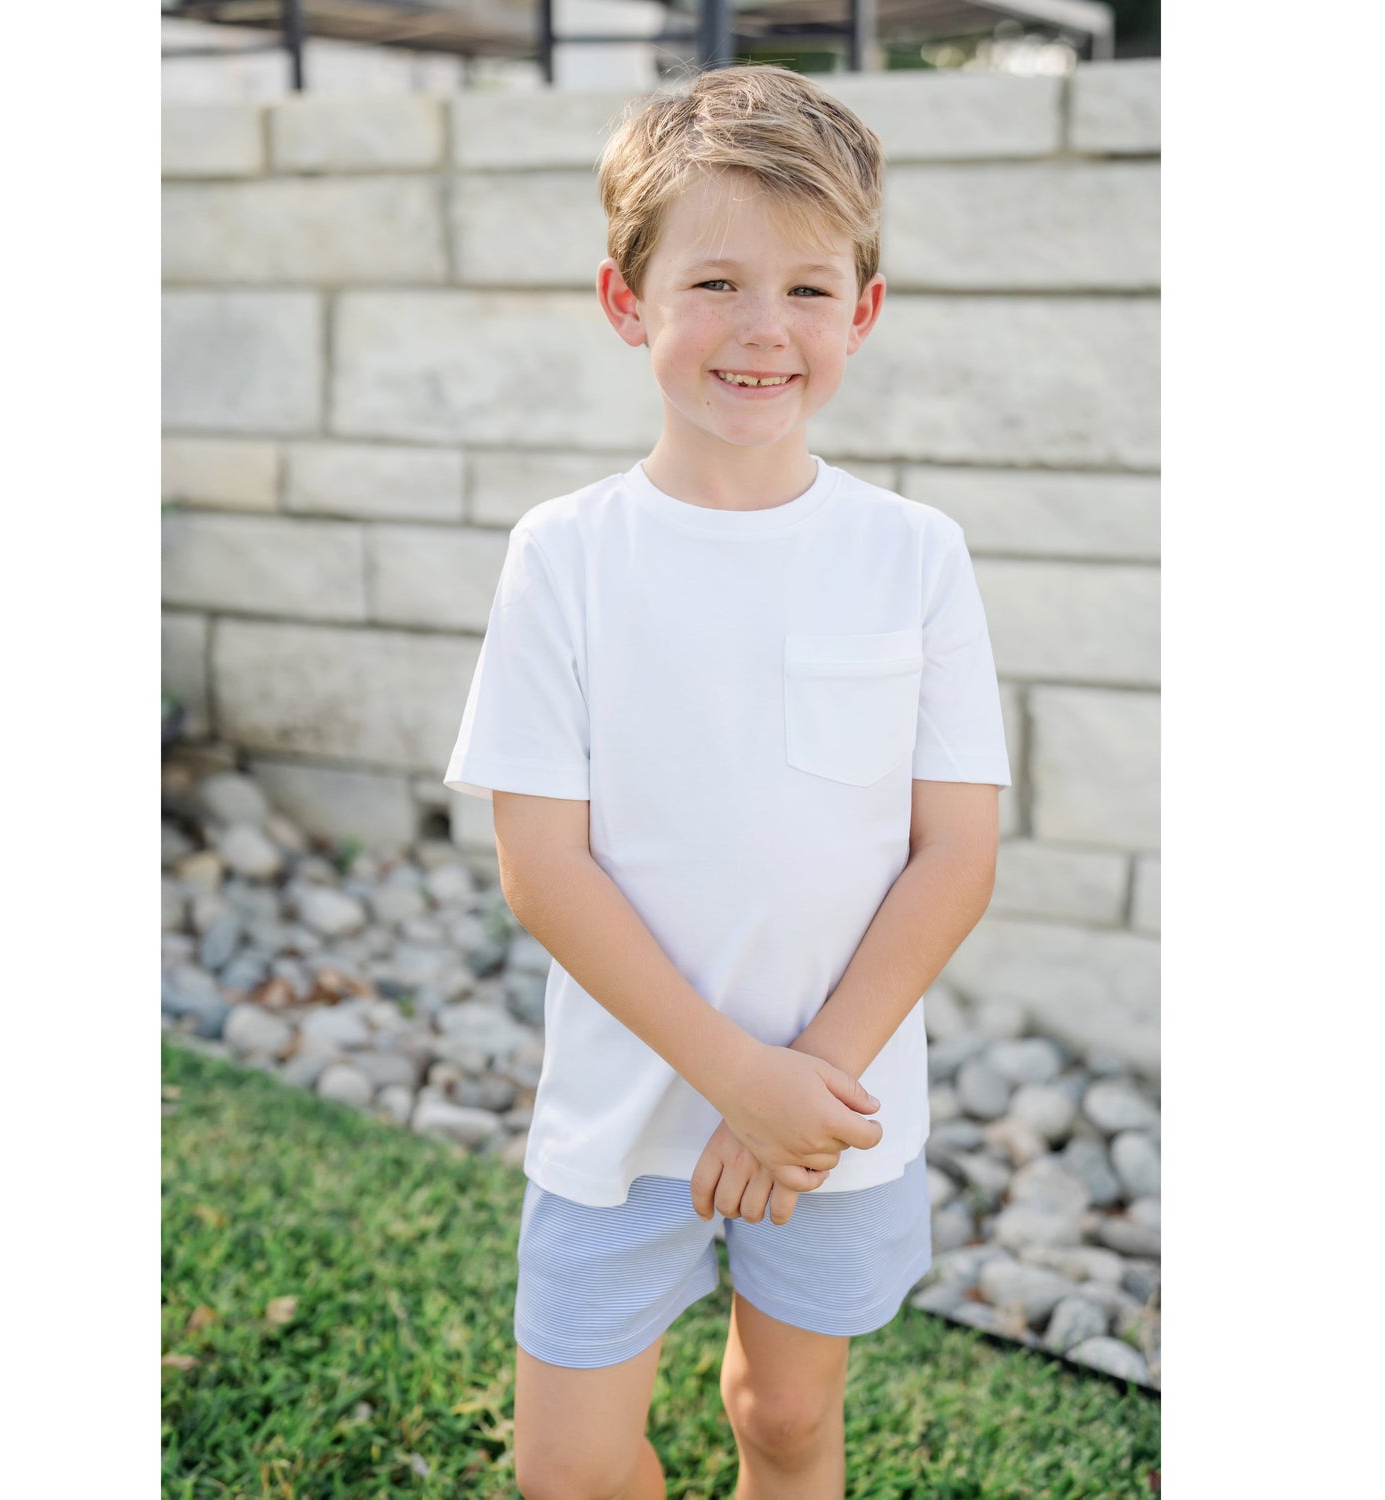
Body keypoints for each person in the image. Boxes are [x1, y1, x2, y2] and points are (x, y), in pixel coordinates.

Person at [443, 62, 1011, 1500]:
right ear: (625, 300)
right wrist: (732, 1078)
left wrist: (797, 1090)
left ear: (862, 313)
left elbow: (955, 853)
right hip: (627, 1105)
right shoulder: (565, 556)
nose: (764, 329)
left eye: (809, 289)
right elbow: (542, 868)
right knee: (568, 1467)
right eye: (715, 283)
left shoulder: (914, 555)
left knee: (786, 1419)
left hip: (834, 1111)